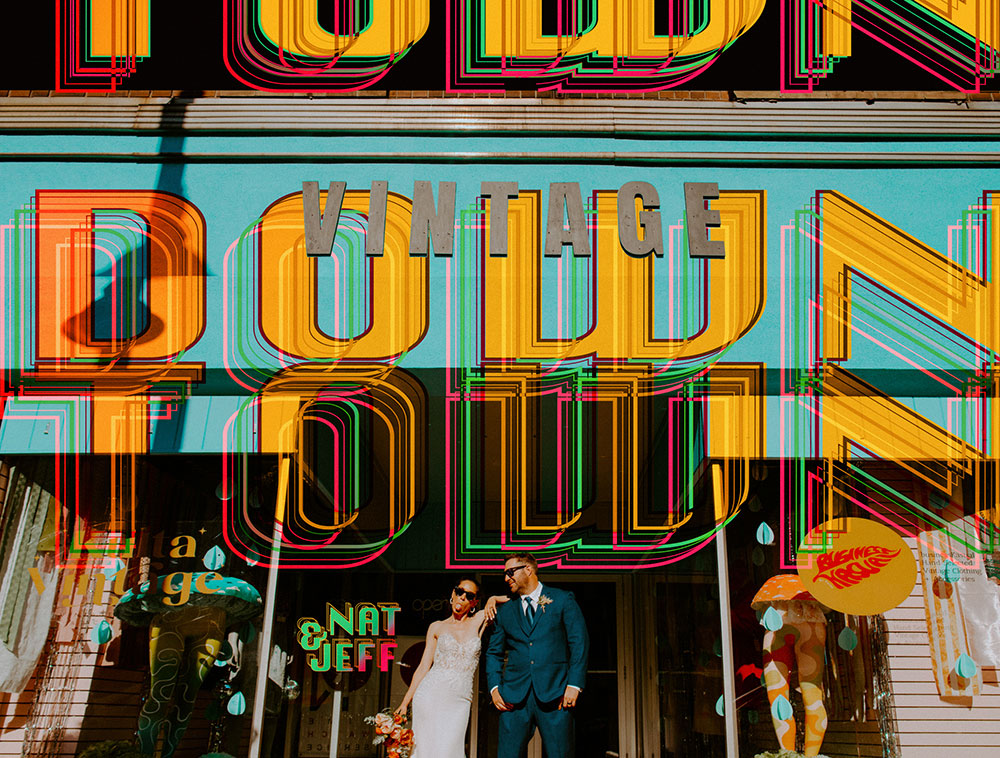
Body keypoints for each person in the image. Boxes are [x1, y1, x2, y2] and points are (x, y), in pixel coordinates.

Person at [485, 553, 589, 758]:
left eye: (510, 572)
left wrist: (574, 685)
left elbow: (579, 643)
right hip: (513, 699)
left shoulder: (562, 599)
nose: (506, 578)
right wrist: (495, 688)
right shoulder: (505, 611)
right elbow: (493, 653)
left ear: (528, 570)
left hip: (556, 694)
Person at [395, 579, 508, 758]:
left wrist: (493, 598)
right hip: (429, 696)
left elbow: (516, 599)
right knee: (425, 751)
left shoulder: (479, 619)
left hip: (459, 700)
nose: (462, 597)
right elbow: (424, 666)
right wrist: (404, 702)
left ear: (474, 602)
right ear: (453, 593)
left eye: (469, 596)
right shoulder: (437, 626)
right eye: (459, 591)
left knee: (450, 750)